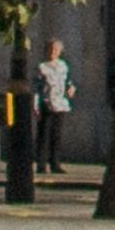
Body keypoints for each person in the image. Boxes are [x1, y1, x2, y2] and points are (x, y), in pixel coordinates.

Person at [34, 39, 76, 174]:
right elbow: (36, 88)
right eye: (51, 49)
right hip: (46, 103)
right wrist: (35, 106)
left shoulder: (63, 66)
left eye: (56, 50)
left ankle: (55, 163)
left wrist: (71, 88)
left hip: (60, 103)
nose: (53, 52)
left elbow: (69, 81)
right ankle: (41, 164)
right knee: (44, 134)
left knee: (56, 135)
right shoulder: (42, 67)